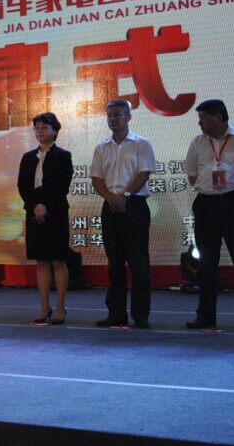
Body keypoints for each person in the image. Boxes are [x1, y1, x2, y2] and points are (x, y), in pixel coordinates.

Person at [184, 99, 234, 331]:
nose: (200, 123)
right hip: (206, 205)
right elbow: (192, 175)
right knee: (206, 263)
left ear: (219, 117)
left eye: (204, 118)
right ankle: (205, 316)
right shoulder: (197, 142)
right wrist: (209, 189)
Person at [90, 100, 156, 328]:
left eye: (118, 115)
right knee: (115, 262)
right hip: (111, 207)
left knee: (138, 261)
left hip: (134, 206)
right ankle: (116, 313)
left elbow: (144, 173)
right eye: (109, 115)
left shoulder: (141, 144)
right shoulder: (101, 147)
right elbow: (96, 178)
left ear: (129, 118)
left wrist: (125, 195)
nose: (112, 119)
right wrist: (111, 197)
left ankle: (141, 315)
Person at [17, 112, 73, 326]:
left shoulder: (63, 156)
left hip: (56, 213)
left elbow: (62, 186)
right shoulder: (28, 157)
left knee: (58, 260)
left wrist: (45, 206)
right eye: (36, 127)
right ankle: (44, 306)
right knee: (41, 262)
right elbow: (23, 186)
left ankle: (60, 307)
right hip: (34, 214)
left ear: (55, 131)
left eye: (44, 127)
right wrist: (35, 206)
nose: (39, 131)